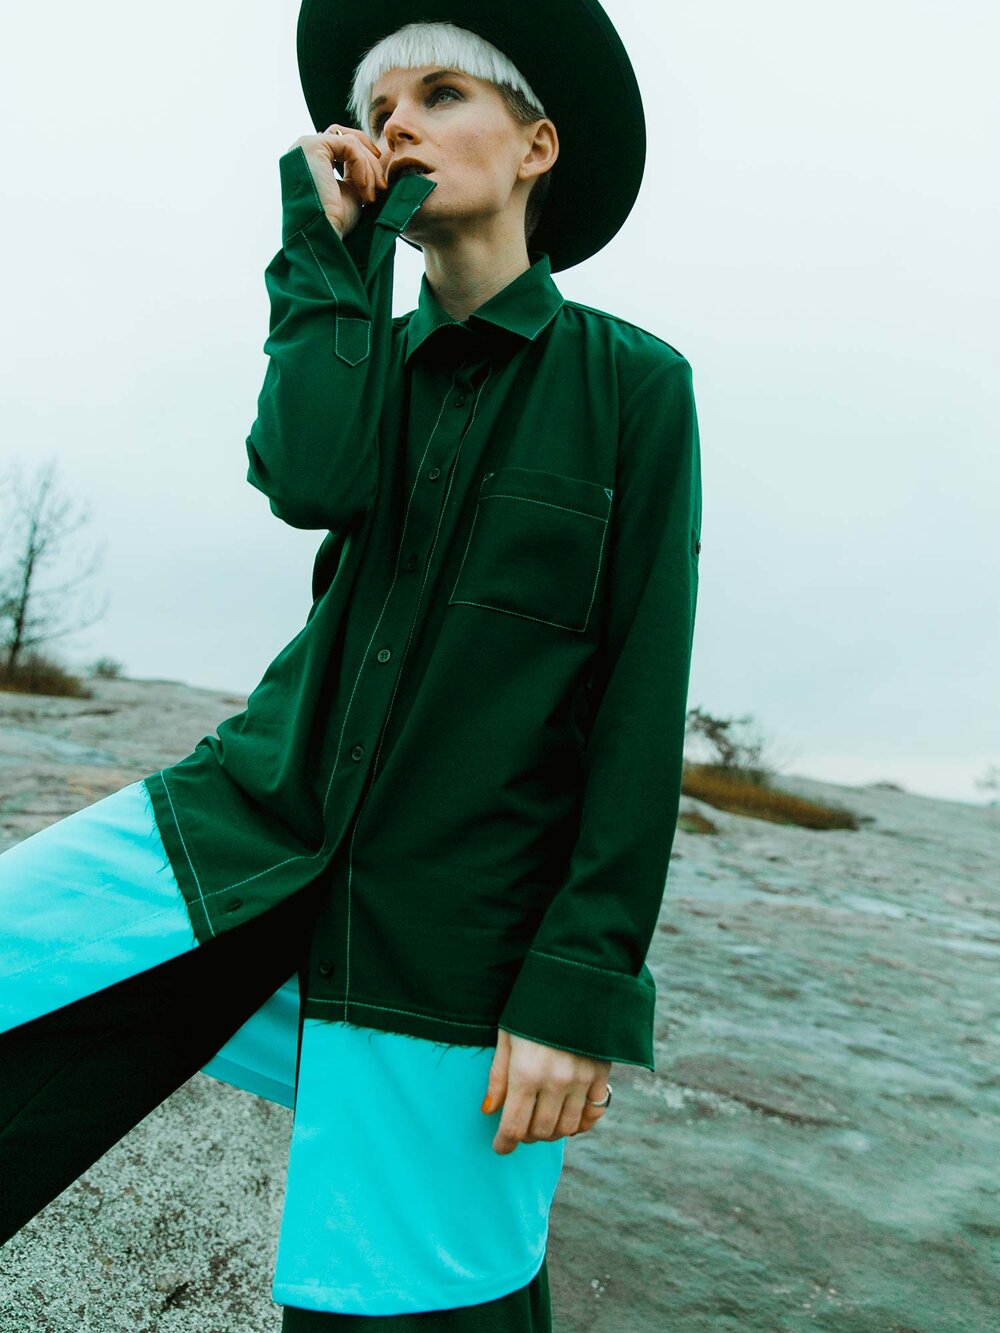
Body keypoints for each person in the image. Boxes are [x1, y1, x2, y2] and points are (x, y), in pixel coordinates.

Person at [0, 3, 701, 1328]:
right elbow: (309, 474)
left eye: (440, 94)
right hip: (247, 829)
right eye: (381, 109)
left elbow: (636, 702)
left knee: (416, 1299)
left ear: (537, 144)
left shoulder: (638, 390)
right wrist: (324, 255)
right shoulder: (357, 349)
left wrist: (580, 983)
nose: (396, 123)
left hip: (448, 929)